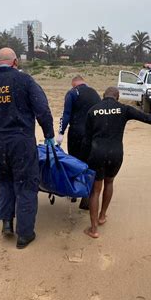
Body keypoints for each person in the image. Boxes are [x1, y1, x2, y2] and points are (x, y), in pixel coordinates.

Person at [83, 87, 151, 238]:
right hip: (116, 153)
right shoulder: (124, 109)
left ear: (103, 96)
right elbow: (148, 118)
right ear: (117, 97)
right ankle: (102, 216)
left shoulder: (93, 110)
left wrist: (84, 159)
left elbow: (86, 139)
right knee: (109, 182)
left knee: (95, 190)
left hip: (97, 153)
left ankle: (93, 230)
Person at [0, 47, 54, 249]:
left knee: (4, 180)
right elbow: (42, 109)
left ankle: (6, 223)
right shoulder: (24, 80)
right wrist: (49, 134)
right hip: (19, 141)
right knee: (25, 184)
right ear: (15, 62)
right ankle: (25, 234)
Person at [57, 76, 101, 209]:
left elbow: (66, 114)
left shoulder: (72, 93)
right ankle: (87, 196)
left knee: (75, 162)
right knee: (88, 163)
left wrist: (61, 133)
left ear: (73, 84)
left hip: (76, 132)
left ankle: (74, 192)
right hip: (92, 133)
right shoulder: (94, 93)